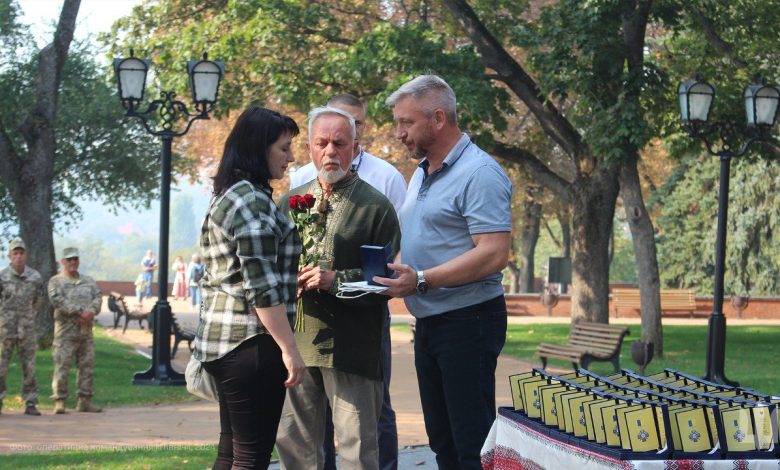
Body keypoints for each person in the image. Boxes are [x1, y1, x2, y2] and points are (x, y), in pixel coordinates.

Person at [376, 75, 513, 470]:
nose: (399, 133)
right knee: (442, 441)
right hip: (432, 322)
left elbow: (493, 253)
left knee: (471, 443)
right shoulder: (422, 172)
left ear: (438, 118)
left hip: (468, 322)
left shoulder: (479, 173)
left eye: (406, 123)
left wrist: (420, 279)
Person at [275, 106, 400, 470]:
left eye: (340, 143)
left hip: (353, 347)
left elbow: (386, 282)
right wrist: (289, 279)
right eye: (322, 143)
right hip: (297, 344)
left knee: (357, 449)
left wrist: (334, 280)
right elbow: (272, 267)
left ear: (355, 146)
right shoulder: (289, 202)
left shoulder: (375, 207)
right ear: (311, 148)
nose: (331, 151)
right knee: (296, 447)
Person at [194, 106, 306, 469]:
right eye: (284, 148)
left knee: (232, 453)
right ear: (259, 148)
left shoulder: (230, 194)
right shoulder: (251, 200)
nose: (291, 157)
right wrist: (289, 348)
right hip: (250, 344)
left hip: (225, 344)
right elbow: (261, 287)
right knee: (251, 458)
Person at [48, 246, 103, 414]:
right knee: (62, 366)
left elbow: (98, 298)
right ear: (62, 262)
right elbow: (57, 300)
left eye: (75, 259)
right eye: (69, 259)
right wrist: (80, 311)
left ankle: (84, 401)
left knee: (86, 366)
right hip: (65, 332)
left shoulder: (89, 281)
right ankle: (60, 401)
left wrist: (91, 311)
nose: (73, 262)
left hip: (85, 333)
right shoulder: (56, 281)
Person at [0, 239, 43, 416]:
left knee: (29, 366)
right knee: (1, 365)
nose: (18, 256)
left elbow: (39, 300)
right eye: (15, 253)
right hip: (5, 328)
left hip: (27, 329)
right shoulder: (2, 276)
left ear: (26, 255)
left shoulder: (35, 277)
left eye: (21, 253)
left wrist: (29, 316)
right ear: (9, 255)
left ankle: (31, 402)